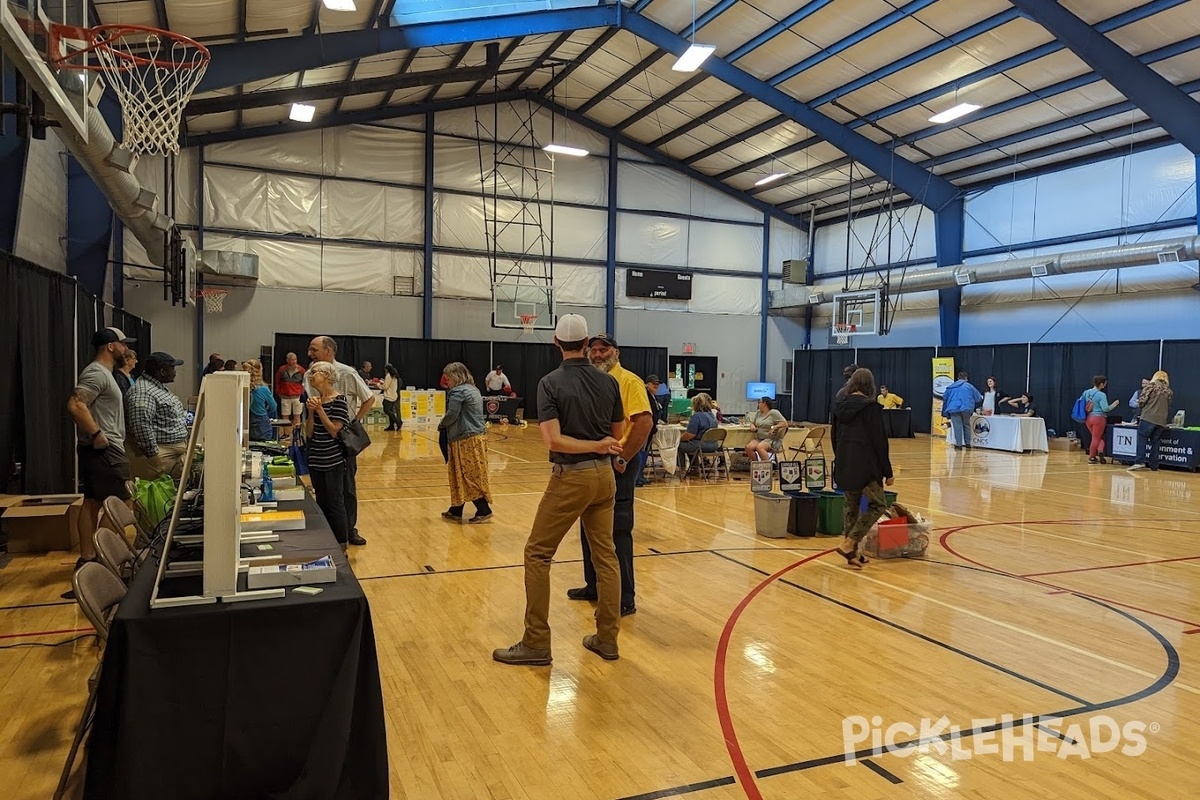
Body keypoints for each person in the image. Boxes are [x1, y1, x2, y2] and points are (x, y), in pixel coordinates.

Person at [492, 314, 625, 666]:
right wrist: (601, 446)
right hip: (604, 479)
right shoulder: (609, 382)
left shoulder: (550, 383)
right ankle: (607, 639)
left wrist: (592, 446)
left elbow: (553, 439)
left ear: (555, 342)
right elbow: (618, 432)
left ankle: (536, 642)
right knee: (606, 556)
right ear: (586, 344)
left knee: (537, 554)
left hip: (572, 476)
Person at [566, 333, 653, 617]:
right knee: (589, 526)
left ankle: (624, 597)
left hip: (618, 466)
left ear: (616, 352)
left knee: (617, 531)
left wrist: (624, 457)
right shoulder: (592, 380)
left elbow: (644, 423)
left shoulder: (628, 381)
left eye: (604, 350)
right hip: (593, 464)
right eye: (594, 349)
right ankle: (594, 586)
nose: (598, 354)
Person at [66, 327, 135, 597]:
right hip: (104, 450)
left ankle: (88, 559)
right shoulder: (96, 373)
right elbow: (75, 404)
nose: (125, 350)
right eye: (122, 344)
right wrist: (97, 434)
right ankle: (103, 559)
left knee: (93, 503)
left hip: (100, 449)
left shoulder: (103, 374)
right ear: (110, 346)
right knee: (123, 503)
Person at [306, 336, 375, 547]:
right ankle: (330, 531)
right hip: (319, 441)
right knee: (325, 493)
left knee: (346, 489)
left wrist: (352, 423)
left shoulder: (348, 373)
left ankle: (348, 530)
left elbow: (369, 398)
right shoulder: (310, 374)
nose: (310, 353)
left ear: (329, 351)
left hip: (341, 441)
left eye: (314, 349)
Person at [831, 368, 893, 569]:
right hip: (866, 465)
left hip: (845, 462)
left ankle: (852, 553)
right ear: (870, 386)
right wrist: (887, 472)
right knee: (878, 504)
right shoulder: (871, 409)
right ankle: (849, 543)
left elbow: (834, 437)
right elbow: (879, 443)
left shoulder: (839, 407)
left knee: (851, 508)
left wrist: (840, 458)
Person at [303, 361, 352, 548]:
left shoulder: (339, 400)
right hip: (316, 458)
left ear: (327, 375)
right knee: (321, 501)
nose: (311, 375)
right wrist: (310, 413)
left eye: (314, 372)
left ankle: (341, 543)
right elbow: (309, 433)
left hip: (332, 460)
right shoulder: (315, 400)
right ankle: (326, 540)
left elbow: (334, 430)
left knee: (335, 502)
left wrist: (320, 410)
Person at [438, 362, 493, 523]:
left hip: (464, 439)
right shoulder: (473, 389)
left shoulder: (458, 392)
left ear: (455, 377)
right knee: (469, 473)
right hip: (477, 437)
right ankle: (456, 509)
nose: (447, 382)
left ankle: (483, 509)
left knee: (466, 475)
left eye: (448, 378)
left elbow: (452, 414)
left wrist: (441, 424)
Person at [125, 352, 190, 481]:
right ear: (162, 371)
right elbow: (140, 424)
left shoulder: (156, 387)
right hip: (160, 455)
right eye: (172, 368)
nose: (175, 372)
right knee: (152, 497)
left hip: (169, 453)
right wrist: (153, 454)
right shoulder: (143, 391)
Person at [1129, 371, 1172, 472]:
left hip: (1148, 417)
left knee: (1142, 439)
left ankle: (1139, 461)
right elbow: (1168, 405)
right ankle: (1154, 465)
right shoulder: (1168, 391)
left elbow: (1142, 401)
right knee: (1155, 442)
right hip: (1161, 421)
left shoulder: (1150, 386)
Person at [677, 393, 719, 472]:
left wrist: (679, 439)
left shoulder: (697, 416)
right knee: (691, 443)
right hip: (714, 445)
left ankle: (682, 468)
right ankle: (694, 466)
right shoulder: (712, 416)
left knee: (679, 445)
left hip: (701, 445)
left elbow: (690, 435)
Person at [1083, 375, 1119, 465]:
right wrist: (1114, 405)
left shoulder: (1086, 392)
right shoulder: (1101, 395)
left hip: (1088, 418)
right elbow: (1105, 409)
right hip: (1099, 418)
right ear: (1102, 384)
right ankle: (1092, 457)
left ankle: (1099, 451)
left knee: (1096, 437)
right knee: (1096, 438)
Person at [635, 375, 663, 487]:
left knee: (645, 452)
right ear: (647, 384)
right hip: (646, 429)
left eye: (657, 384)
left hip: (652, 429)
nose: (656, 386)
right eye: (653, 383)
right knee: (641, 452)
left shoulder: (653, 396)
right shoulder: (645, 395)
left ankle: (640, 476)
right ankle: (636, 477)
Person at [941, 371, 982, 449]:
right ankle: (968, 443)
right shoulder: (969, 386)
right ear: (966, 378)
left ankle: (959, 444)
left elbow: (944, 397)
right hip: (967, 408)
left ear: (958, 378)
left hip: (953, 408)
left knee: (957, 426)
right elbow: (978, 398)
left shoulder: (951, 387)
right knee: (966, 425)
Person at [243, 359, 278, 441]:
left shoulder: (242, 388)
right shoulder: (264, 389)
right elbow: (273, 406)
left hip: (245, 421)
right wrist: (266, 411)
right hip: (261, 423)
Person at [743, 397, 787, 461]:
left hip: (771, 439)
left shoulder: (774, 413)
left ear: (764, 403)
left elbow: (784, 423)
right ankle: (757, 463)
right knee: (748, 447)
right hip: (759, 438)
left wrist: (775, 427)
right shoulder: (758, 413)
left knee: (760, 447)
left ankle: (767, 466)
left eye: (759, 402)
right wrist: (752, 426)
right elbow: (752, 423)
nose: (758, 404)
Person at [275, 352, 306, 432]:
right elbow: (277, 381)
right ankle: (286, 433)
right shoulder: (282, 369)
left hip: (297, 396)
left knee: (297, 415)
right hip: (285, 396)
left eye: (295, 359)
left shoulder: (301, 370)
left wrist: (301, 392)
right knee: (285, 416)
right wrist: (278, 392)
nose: (294, 361)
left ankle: (297, 433)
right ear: (287, 360)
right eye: (291, 360)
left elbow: (304, 382)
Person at [381, 364, 402, 431]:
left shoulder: (388, 376)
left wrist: (378, 385)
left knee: (386, 410)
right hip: (394, 396)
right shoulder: (394, 376)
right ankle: (391, 426)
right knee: (391, 411)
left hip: (388, 396)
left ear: (386, 369)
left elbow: (385, 387)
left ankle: (398, 422)